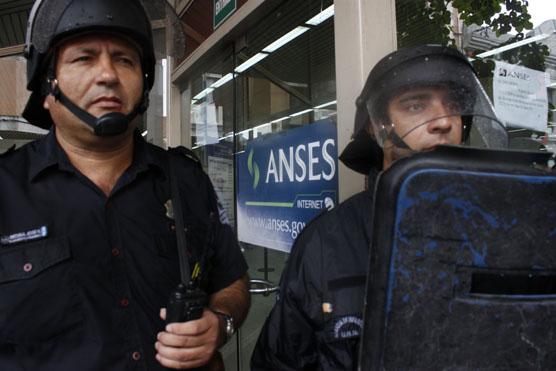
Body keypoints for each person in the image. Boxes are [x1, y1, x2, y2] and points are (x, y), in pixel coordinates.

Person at [0, 0, 249, 370]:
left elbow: (232, 281)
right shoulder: (7, 190)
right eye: (83, 58)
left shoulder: (185, 180)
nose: (108, 75)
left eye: (125, 60)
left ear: (144, 82)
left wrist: (221, 322)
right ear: (46, 84)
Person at [250, 45, 507, 370]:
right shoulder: (326, 243)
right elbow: (278, 362)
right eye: (416, 105)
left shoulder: (499, 228)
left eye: (453, 105)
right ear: (378, 126)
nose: (443, 121)